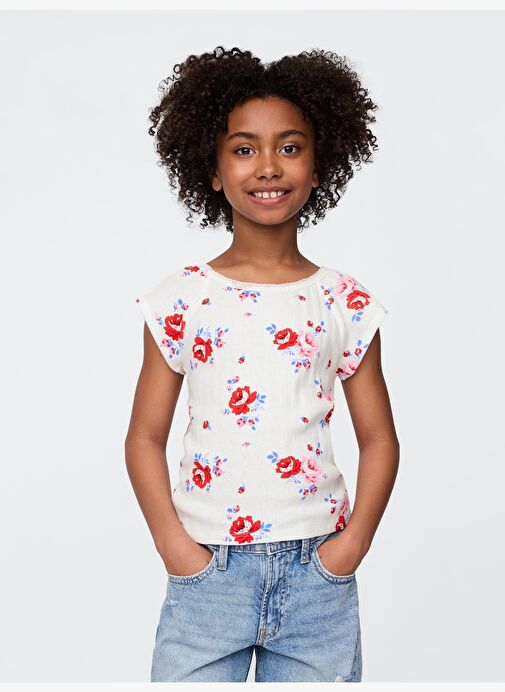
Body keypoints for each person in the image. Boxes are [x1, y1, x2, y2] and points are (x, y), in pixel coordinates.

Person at [125, 45, 400, 683]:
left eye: (290, 147)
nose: (269, 166)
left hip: (317, 577)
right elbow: (143, 436)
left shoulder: (345, 302)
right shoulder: (181, 299)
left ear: (318, 164)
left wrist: (351, 546)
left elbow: (380, 438)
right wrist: (175, 547)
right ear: (212, 170)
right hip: (208, 572)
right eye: (244, 148)